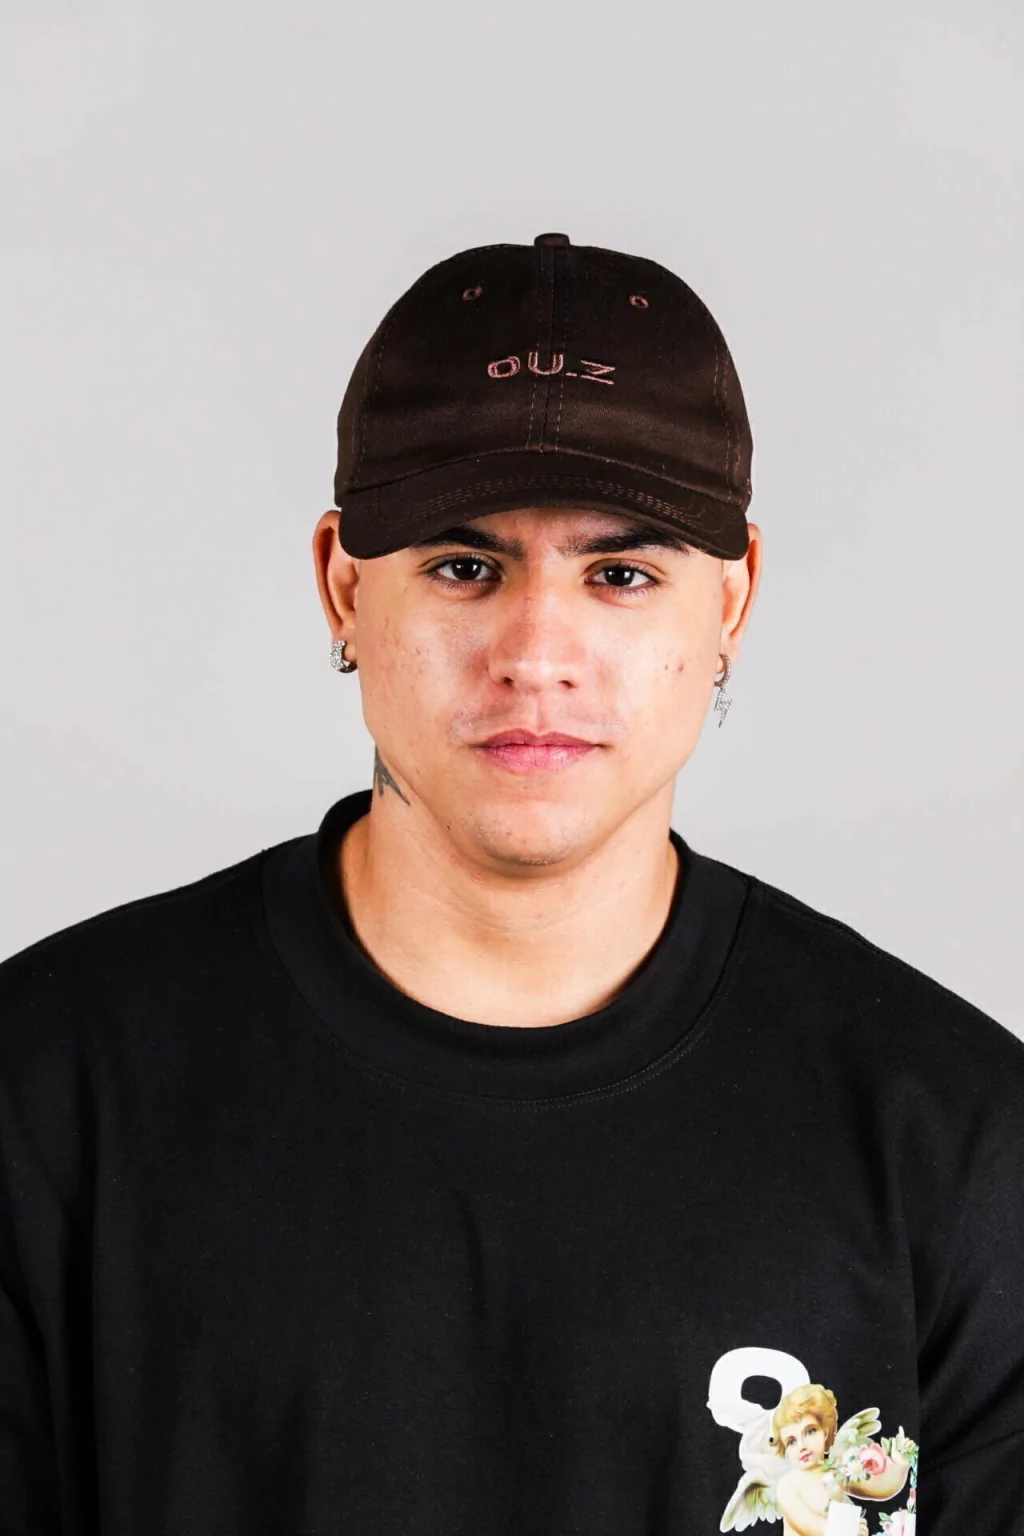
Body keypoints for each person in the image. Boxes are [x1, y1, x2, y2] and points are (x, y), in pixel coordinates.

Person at [1, 231, 1021, 1535]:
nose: (537, 652)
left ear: (732, 602)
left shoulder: (958, 1143)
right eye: (464, 567)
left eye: (620, 575)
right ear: (343, 587)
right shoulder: (46, 1092)